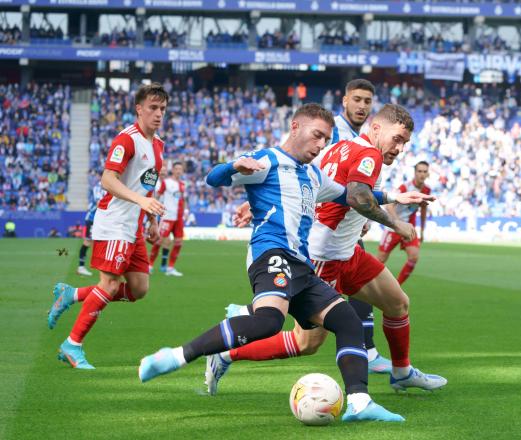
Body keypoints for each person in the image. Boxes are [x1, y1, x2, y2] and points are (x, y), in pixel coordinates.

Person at [138, 104, 431, 422]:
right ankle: (176, 356)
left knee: (346, 321)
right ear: (295, 127)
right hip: (271, 255)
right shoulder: (267, 159)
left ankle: (360, 403)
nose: (321, 145)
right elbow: (213, 179)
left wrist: (392, 196)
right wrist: (232, 166)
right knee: (269, 322)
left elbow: (348, 195)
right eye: (317, 135)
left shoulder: (312, 173)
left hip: (301, 263)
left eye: (326, 139)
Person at [208, 104, 447, 395]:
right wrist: (394, 222)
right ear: (375, 129)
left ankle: (402, 372)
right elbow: (358, 197)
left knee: (398, 303)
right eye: (396, 139)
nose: (399, 148)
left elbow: (310, 183)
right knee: (306, 343)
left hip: (348, 252)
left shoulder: (341, 148)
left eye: (405, 143)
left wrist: (392, 198)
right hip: (324, 258)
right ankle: (225, 353)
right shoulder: (369, 154)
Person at [46, 83, 168, 369]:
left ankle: (72, 294)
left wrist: (152, 220)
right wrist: (140, 201)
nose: (158, 114)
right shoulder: (126, 140)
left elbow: (146, 186)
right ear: (139, 109)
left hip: (134, 226)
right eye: (152, 108)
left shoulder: (158, 145)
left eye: (162, 108)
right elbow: (108, 180)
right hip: (114, 223)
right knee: (110, 284)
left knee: (139, 289)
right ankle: (72, 345)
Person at [323, 78, 392, 374]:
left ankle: (369, 351)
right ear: (345, 100)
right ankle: (245, 320)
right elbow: (304, 163)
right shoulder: (330, 129)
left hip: (342, 223)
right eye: (357, 100)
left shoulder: (362, 136)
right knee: (306, 328)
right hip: (322, 225)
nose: (362, 106)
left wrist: (362, 216)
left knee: (362, 287)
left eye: (367, 101)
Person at [376, 161, 431, 285]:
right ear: (415, 173)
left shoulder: (427, 190)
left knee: (414, 257)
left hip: (409, 228)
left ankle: (397, 286)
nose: (422, 174)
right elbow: (389, 206)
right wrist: (398, 223)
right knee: (380, 260)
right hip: (393, 228)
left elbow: (423, 210)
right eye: (419, 171)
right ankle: (367, 284)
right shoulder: (404, 188)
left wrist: (422, 231)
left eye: (424, 171)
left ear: (428, 174)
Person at [149, 161, 186, 276]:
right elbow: (159, 195)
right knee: (159, 240)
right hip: (168, 216)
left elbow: (182, 200)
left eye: (181, 169)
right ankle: (149, 265)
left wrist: (184, 212)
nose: (179, 171)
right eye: (177, 169)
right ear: (173, 170)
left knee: (179, 242)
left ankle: (170, 268)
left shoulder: (183, 184)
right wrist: (154, 209)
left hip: (178, 218)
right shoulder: (166, 182)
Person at [77, 182, 106, 276]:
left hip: (102, 219)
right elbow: (99, 204)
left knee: (105, 242)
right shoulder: (98, 187)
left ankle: (104, 267)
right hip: (92, 219)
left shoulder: (111, 186)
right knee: (87, 242)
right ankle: (81, 267)